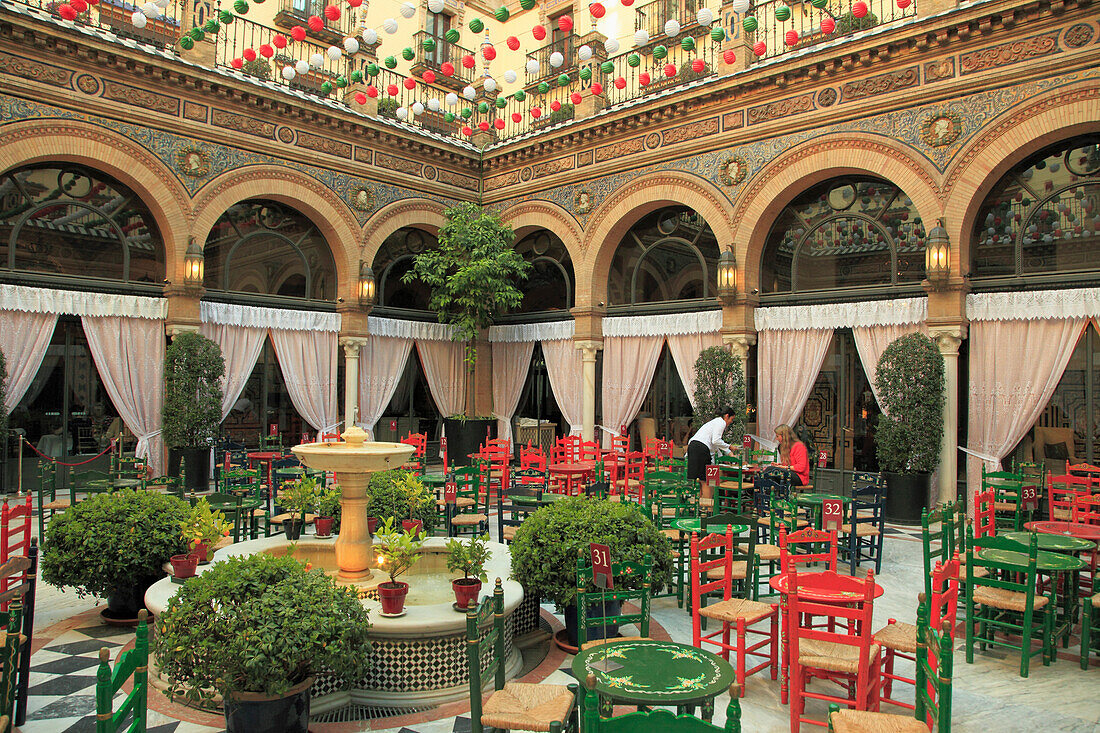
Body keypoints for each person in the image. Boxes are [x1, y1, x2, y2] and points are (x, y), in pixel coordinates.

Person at [687, 407, 737, 500]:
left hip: (693, 447)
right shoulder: (721, 423)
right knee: (705, 481)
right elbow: (716, 441)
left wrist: (729, 453)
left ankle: (699, 507)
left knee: (698, 481)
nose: (731, 422)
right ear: (727, 416)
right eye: (731, 419)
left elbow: (715, 444)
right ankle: (707, 508)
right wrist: (729, 447)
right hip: (701, 449)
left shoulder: (714, 422)